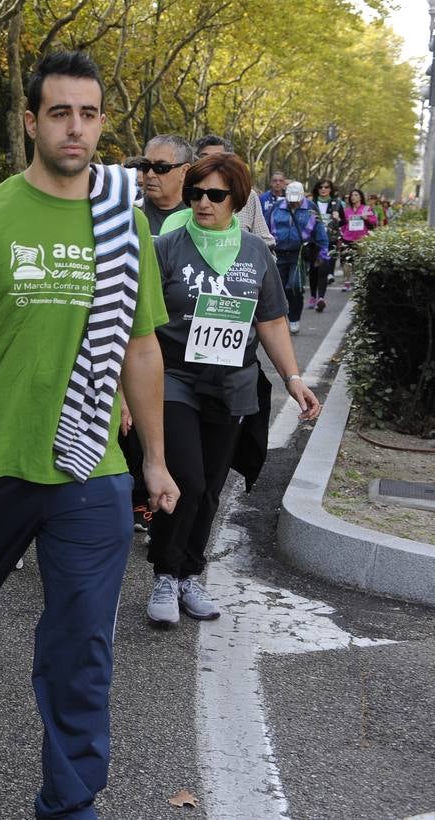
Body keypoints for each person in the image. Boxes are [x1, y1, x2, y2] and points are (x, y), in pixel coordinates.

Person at [0, 51, 176, 820]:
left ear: (102, 123)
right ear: (32, 121)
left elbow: (143, 348)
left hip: (90, 465)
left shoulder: (122, 221)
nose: (74, 127)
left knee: (82, 642)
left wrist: (155, 458)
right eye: (59, 112)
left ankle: (70, 803)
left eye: (88, 113)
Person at [146, 153, 321, 626]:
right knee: (186, 480)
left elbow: (271, 320)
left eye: (215, 195)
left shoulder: (254, 251)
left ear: (237, 199)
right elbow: (139, 324)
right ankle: (165, 573)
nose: (203, 202)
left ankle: (189, 575)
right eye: (196, 193)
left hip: (231, 383)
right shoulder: (166, 247)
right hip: (173, 378)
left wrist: (293, 378)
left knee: (210, 489)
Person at [190, 135, 275, 247]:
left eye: (217, 158)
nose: (209, 164)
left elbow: (266, 243)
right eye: (204, 158)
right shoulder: (187, 193)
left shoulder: (248, 196)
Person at [270, 181, 328, 334]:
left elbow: (320, 229)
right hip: (278, 253)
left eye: (296, 198)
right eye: (291, 198)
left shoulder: (311, 208)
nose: (293, 201)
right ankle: (282, 318)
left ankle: (294, 318)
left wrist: (323, 250)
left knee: (294, 286)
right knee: (280, 289)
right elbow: (265, 227)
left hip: (299, 254)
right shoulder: (277, 207)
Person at [133, 134, 192, 234]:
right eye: (145, 166)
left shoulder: (201, 214)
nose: (150, 174)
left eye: (161, 167)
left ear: (184, 171)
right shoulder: (129, 211)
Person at [308, 179, 341, 310]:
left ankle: (321, 297)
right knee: (313, 270)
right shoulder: (310, 203)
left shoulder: (337, 204)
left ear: (330, 189)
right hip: (313, 240)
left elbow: (343, 222)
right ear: (317, 189)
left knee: (324, 268)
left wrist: (338, 219)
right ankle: (312, 296)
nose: (323, 189)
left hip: (329, 240)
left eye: (326, 187)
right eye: (320, 187)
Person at [338, 187, 377, 291]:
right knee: (346, 262)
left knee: (359, 262)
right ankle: (346, 282)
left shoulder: (366, 209)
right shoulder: (346, 211)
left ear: (360, 197)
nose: (353, 197)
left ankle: (357, 281)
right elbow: (342, 225)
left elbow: (374, 222)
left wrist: (366, 218)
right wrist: (341, 236)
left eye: (356, 195)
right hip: (347, 239)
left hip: (361, 240)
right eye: (352, 195)